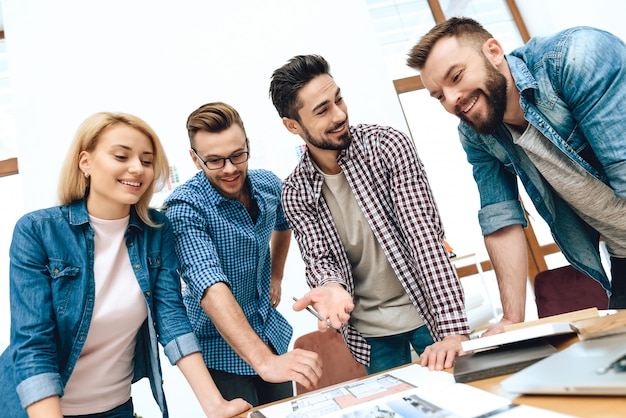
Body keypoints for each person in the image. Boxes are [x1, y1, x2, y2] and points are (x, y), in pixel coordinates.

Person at [0, 112, 251, 417]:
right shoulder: (38, 231)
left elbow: (171, 318)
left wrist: (216, 405)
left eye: (146, 160)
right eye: (121, 156)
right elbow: (33, 344)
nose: (137, 168)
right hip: (38, 409)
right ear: (85, 162)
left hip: (115, 407)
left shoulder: (156, 231)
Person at [407, 17, 626, 335]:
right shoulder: (477, 135)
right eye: (439, 95)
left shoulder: (574, 58)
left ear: (494, 51)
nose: (452, 99)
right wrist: (511, 319)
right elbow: (501, 218)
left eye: (456, 76)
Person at [268, 54, 471, 373]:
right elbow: (320, 258)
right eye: (322, 110)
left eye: (339, 100)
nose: (339, 115)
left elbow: (425, 240)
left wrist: (453, 331)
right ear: (293, 125)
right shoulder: (295, 192)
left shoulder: (387, 147)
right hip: (371, 333)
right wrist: (331, 286)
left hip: (427, 311)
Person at [163, 102, 322, 406]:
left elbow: (283, 223)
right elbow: (207, 282)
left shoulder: (268, 185)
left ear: (248, 145)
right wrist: (263, 361)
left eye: (237, 155)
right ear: (195, 160)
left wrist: (277, 275)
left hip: (268, 334)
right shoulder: (184, 207)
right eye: (214, 160)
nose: (230, 169)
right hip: (219, 349)